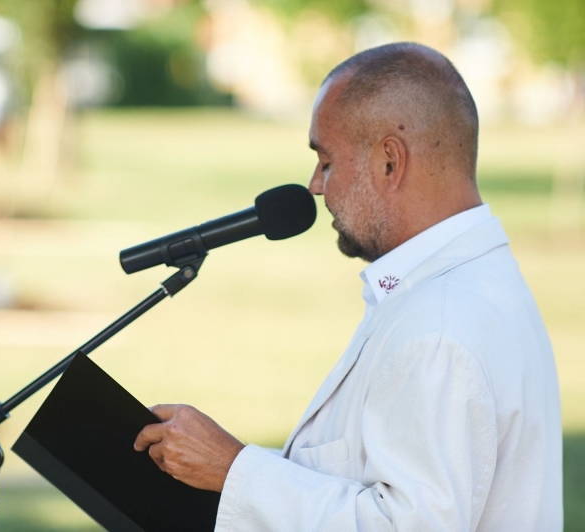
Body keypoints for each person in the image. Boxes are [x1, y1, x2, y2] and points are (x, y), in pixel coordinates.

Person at [134, 42, 562, 530]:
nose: (315, 186)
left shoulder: (440, 328)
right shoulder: (471, 283)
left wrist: (234, 471)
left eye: (326, 161)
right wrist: (220, 465)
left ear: (389, 162)